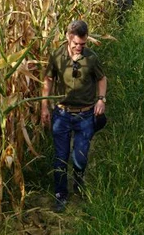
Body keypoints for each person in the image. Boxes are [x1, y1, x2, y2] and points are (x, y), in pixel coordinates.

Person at [41, 20, 108, 211]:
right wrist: (44, 107)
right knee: (61, 157)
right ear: (68, 39)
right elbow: (48, 80)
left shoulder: (91, 58)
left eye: (83, 44)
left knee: (80, 157)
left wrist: (101, 99)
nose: (79, 48)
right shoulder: (57, 56)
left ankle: (79, 180)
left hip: (85, 115)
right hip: (61, 114)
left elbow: (102, 78)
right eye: (75, 44)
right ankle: (60, 194)